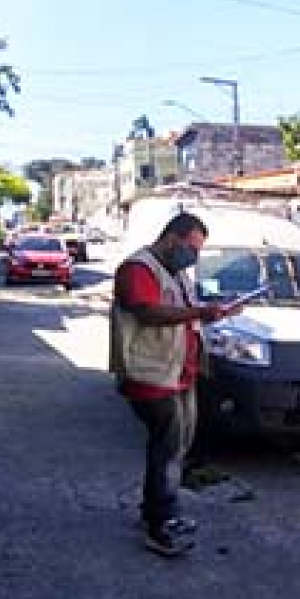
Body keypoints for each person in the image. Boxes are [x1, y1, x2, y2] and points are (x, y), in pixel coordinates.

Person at [109, 211, 239, 557]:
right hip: (150, 374)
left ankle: (157, 510)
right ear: (172, 238)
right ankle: (160, 523)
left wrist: (209, 312)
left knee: (177, 444)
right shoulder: (137, 269)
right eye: (191, 247)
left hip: (178, 372)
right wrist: (200, 313)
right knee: (167, 448)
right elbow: (147, 313)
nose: (193, 255)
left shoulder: (175, 273)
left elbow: (180, 312)